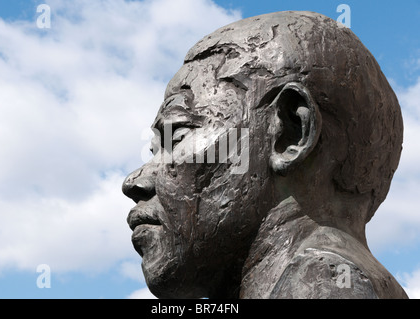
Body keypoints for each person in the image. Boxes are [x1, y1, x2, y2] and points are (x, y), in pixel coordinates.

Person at [122, 11, 407, 299]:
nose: (134, 181)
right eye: (155, 150)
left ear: (289, 134)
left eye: (178, 136)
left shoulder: (321, 288)